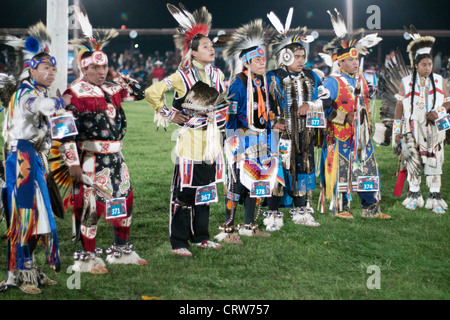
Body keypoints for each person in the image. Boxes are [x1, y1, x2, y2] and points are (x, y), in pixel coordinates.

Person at [58, 4, 147, 274]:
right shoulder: (74, 91)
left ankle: (121, 251)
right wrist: (72, 163)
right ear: (84, 68)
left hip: (116, 158)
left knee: (124, 200)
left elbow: (140, 93)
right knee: (91, 206)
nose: (101, 71)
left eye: (105, 66)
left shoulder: (113, 87)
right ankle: (87, 258)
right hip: (90, 159)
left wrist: (117, 75)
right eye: (96, 67)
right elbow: (63, 130)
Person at [145, 3, 227, 258]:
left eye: (212, 46)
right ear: (192, 52)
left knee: (205, 191)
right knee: (185, 192)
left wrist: (221, 114)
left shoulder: (217, 74)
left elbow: (222, 103)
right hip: (190, 141)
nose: (212, 49)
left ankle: (201, 236)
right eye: (205, 46)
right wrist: (170, 114)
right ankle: (179, 241)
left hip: (211, 142)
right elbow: (152, 92)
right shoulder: (182, 76)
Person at [0, 22, 70, 294]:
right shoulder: (26, 93)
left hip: (33, 158)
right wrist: (56, 104)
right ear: (32, 69)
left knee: (39, 215)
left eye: (54, 68)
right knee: (24, 217)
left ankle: (30, 270)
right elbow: (35, 107)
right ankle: (16, 275)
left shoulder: (39, 91)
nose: (52, 72)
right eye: (46, 68)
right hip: (21, 158)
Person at [320, 9, 390, 220]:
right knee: (343, 169)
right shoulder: (333, 81)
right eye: (350, 60)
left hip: (362, 136)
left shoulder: (361, 81)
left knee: (367, 168)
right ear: (339, 62)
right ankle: (342, 208)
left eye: (357, 59)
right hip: (340, 136)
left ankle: (370, 207)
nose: (355, 63)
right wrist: (342, 117)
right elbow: (321, 105)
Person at [215, 19, 279, 244]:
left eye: (264, 60)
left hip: (261, 141)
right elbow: (229, 121)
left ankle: (249, 225)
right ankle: (228, 229)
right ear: (248, 62)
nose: (264, 63)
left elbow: (266, 118)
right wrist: (236, 149)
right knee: (236, 186)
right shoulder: (238, 84)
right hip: (241, 140)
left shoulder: (263, 82)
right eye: (259, 60)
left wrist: (272, 145)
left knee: (258, 183)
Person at [265, 8, 329, 229]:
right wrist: (274, 122)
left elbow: (327, 100)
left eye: (303, 56)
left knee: (304, 168)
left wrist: (310, 105)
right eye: (297, 56)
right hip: (280, 135)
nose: (302, 60)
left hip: (305, 134)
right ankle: (272, 212)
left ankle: (301, 210)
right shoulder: (273, 77)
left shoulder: (313, 76)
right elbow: (264, 105)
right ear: (285, 56)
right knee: (279, 170)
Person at [392, 27, 450, 213]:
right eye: (424, 64)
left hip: (434, 129)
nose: (427, 68)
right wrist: (397, 131)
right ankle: (414, 195)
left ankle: (434, 197)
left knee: (435, 161)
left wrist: (438, 111)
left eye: (430, 64)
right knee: (413, 160)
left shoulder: (440, 80)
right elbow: (400, 107)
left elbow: (449, 101)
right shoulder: (406, 82)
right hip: (412, 128)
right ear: (416, 65)